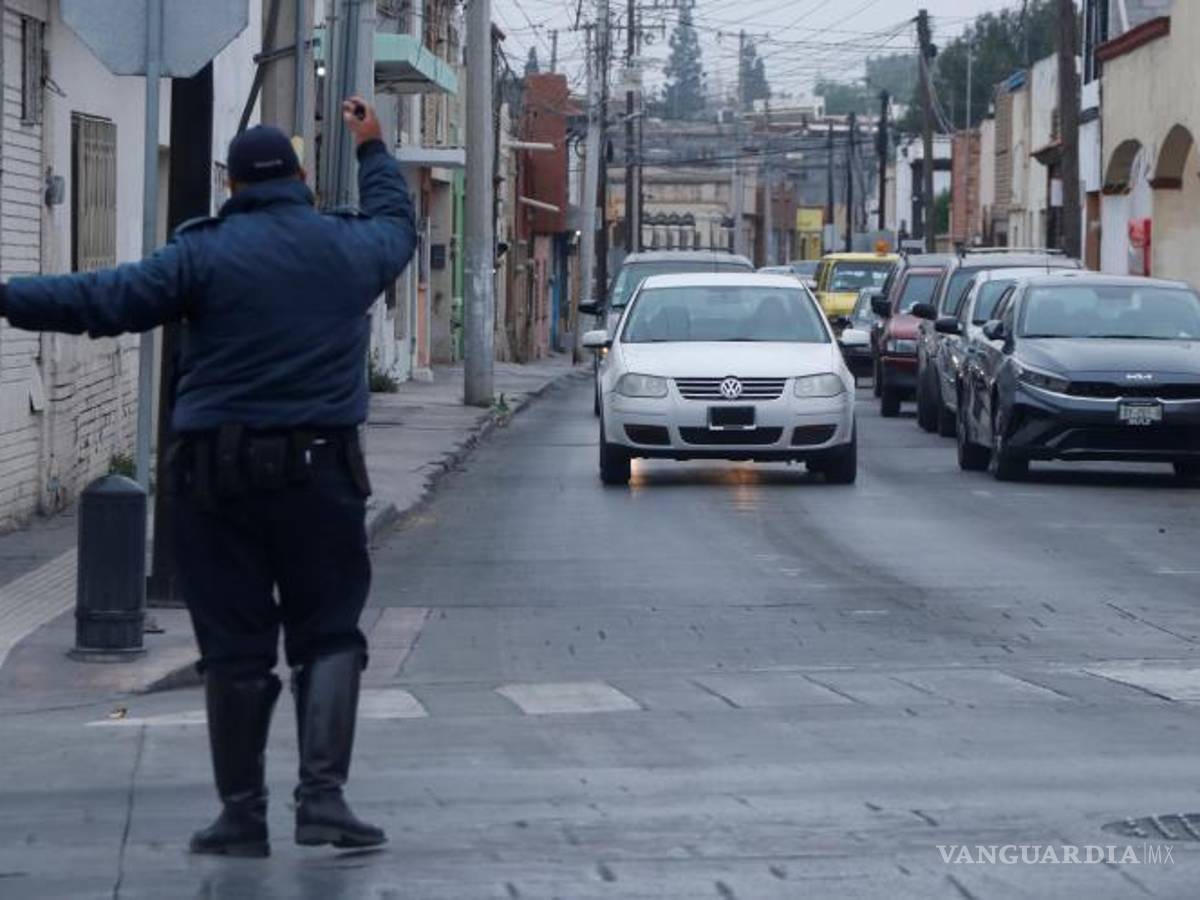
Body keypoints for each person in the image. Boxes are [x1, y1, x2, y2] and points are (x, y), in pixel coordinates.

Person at [0, 98, 416, 857]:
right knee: (328, 635)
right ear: (298, 179)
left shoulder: (200, 254)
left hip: (214, 482)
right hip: (321, 476)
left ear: (229, 185)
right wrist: (372, 148)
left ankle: (242, 814)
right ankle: (322, 800)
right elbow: (397, 223)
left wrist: (6, 296)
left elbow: (101, 300)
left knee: (235, 645)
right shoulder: (348, 249)